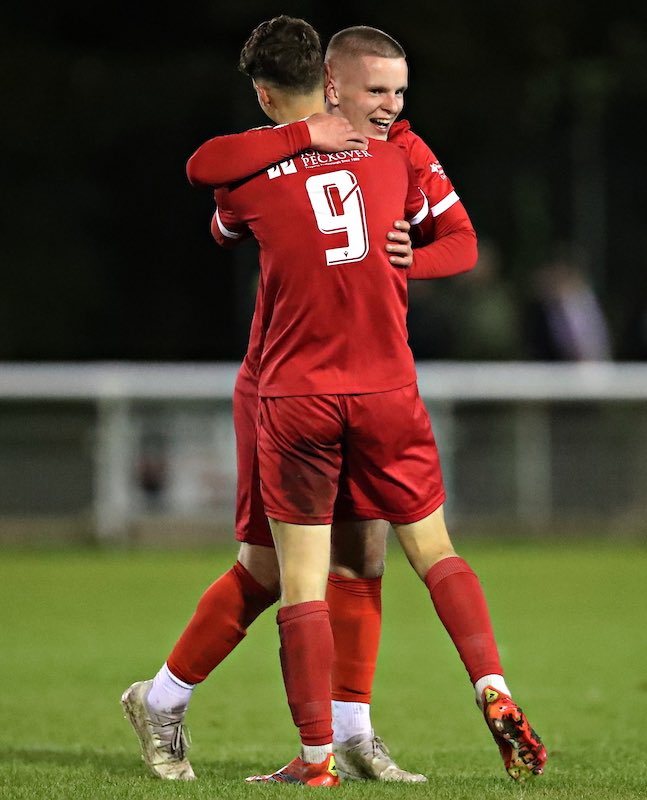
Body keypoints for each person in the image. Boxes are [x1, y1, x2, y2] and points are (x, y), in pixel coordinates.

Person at [122, 19, 545, 786]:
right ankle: (165, 699)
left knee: (359, 557)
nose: (389, 105)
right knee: (271, 569)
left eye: (398, 92)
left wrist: (403, 261)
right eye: (376, 90)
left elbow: (458, 241)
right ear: (331, 85)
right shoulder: (335, 158)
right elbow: (215, 179)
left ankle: (345, 737)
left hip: (329, 387)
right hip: (278, 387)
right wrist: (302, 143)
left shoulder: (386, 150)